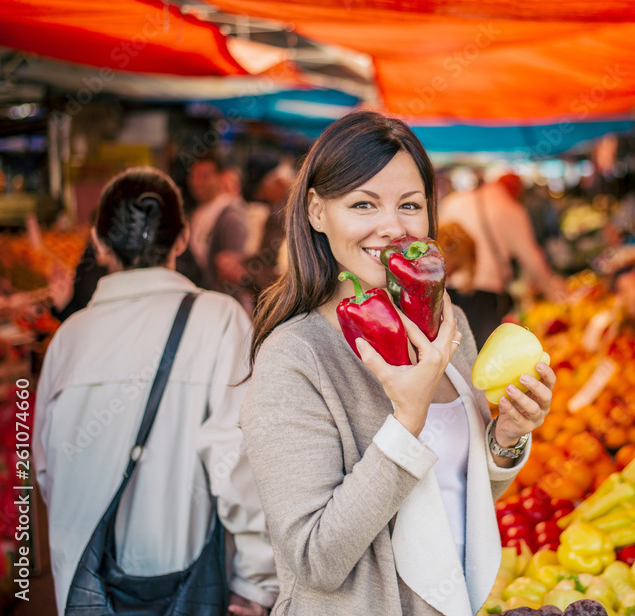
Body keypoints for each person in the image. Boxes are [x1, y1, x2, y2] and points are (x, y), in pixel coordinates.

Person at [239, 111, 554, 616]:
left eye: (410, 205)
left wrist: (506, 437)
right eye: (363, 204)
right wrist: (407, 421)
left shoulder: (450, 324)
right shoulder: (295, 358)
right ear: (317, 212)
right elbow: (314, 560)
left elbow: (455, 495)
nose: (392, 227)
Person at [33, 168, 278, 616]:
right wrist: (256, 583)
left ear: (99, 242)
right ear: (182, 237)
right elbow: (242, 461)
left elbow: (46, 473)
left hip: (84, 591)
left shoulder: (69, 337)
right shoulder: (218, 320)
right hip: (191, 590)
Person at [438, 171, 565, 349]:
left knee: (452, 351)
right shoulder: (511, 210)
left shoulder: (454, 201)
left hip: (446, 288)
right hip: (484, 295)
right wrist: (553, 293)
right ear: (516, 190)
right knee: (481, 351)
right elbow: (532, 258)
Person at [215, 149, 292, 309]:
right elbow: (268, 256)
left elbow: (286, 276)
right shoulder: (277, 211)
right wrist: (242, 261)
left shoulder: (296, 216)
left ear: (279, 182)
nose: (260, 196)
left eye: (262, 189)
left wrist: (244, 276)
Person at [186, 152, 250, 299]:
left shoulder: (230, 214)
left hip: (221, 301)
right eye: (194, 176)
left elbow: (232, 270)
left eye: (205, 176)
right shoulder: (195, 213)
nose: (197, 182)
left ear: (220, 177)